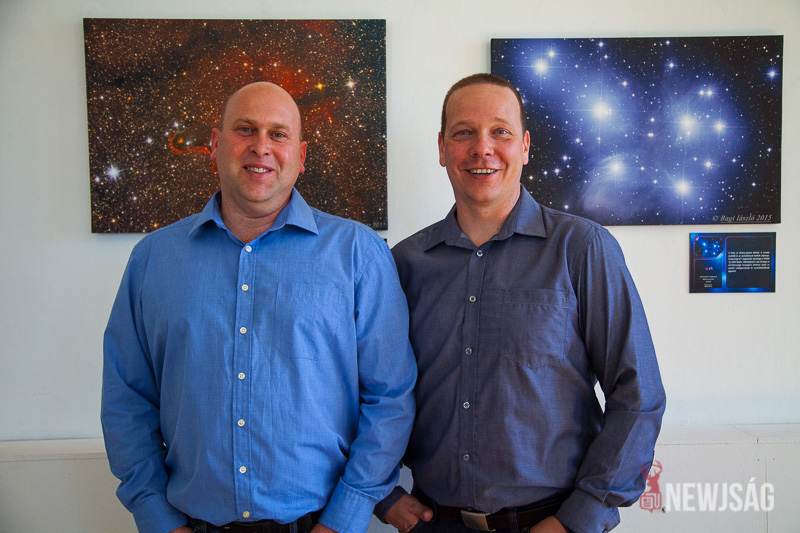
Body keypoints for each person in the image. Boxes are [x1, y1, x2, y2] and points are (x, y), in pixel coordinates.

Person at [101, 82, 417, 533]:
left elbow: (390, 397)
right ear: (215, 144)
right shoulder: (152, 259)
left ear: (301, 156)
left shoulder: (358, 253)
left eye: (278, 134)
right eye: (245, 129)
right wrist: (158, 519)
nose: (261, 147)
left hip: (320, 524)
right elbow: (126, 400)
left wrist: (344, 518)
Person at [375, 74, 666, 533]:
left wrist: (581, 517)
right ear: (442, 148)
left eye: (501, 132)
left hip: (550, 522)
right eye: (463, 132)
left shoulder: (582, 249)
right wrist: (383, 494)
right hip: (434, 521)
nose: (482, 148)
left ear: (525, 146)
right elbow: (365, 389)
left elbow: (638, 395)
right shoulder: (404, 263)